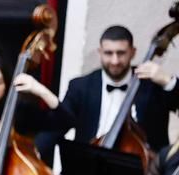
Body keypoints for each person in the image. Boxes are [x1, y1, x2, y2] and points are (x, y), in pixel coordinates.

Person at [16, 23, 179, 159]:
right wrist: (34, 156)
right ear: (100, 52)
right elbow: (60, 124)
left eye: (121, 53)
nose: (115, 61)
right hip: (90, 174)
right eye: (109, 53)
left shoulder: (151, 84)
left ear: (133, 52)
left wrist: (168, 81)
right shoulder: (81, 86)